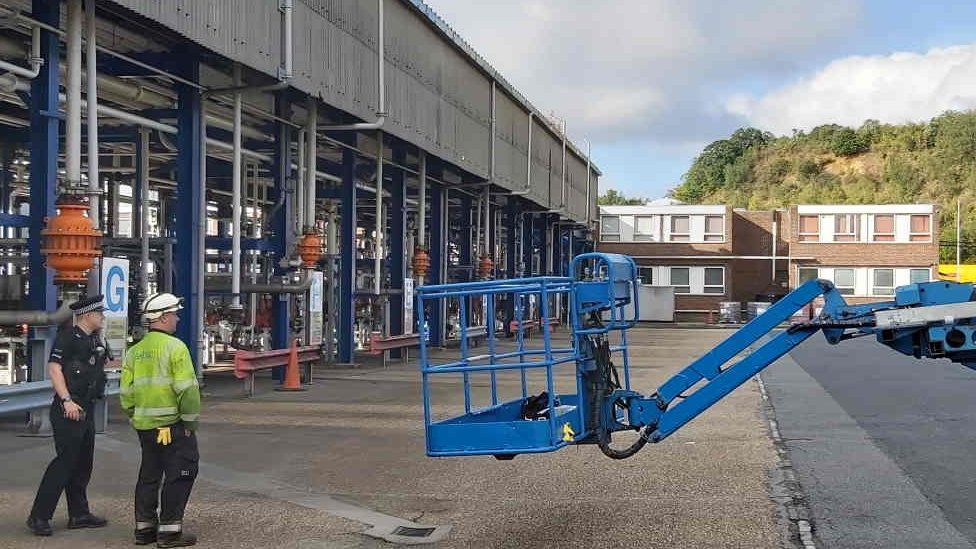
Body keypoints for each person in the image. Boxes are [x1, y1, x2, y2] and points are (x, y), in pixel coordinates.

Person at [27, 295, 113, 536]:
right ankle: (39, 516)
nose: (102, 317)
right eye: (99, 313)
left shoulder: (94, 339)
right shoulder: (68, 336)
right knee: (64, 464)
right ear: (86, 315)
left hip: (86, 408)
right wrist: (67, 400)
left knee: (82, 464)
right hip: (70, 409)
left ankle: (79, 514)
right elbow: (54, 368)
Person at [120, 292, 201, 547]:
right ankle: (169, 532)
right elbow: (187, 390)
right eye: (175, 314)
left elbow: (126, 393)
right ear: (164, 317)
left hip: (145, 427)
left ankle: (144, 529)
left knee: (150, 474)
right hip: (172, 426)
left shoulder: (134, 351)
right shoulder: (175, 348)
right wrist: (189, 424)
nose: (177, 319)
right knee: (181, 472)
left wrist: (135, 416)